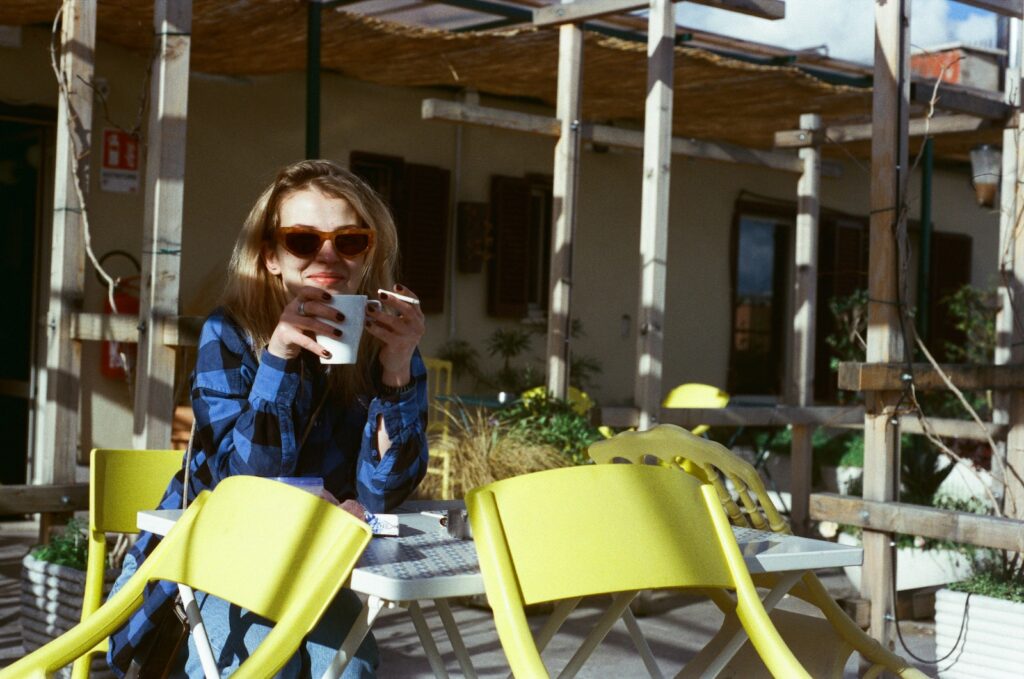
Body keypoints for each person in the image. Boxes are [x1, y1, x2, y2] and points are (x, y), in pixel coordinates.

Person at [107, 159, 429, 677]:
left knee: (347, 667)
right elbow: (245, 482)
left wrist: (396, 373)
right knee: (256, 663)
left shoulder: (386, 344)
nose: (328, 256)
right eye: (303, 240)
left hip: (314, 569)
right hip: (208, 563)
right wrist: (277, 358)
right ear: (271, 257)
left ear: (369, 254)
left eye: (349, 241)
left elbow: (384, 496)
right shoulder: (229, 333)